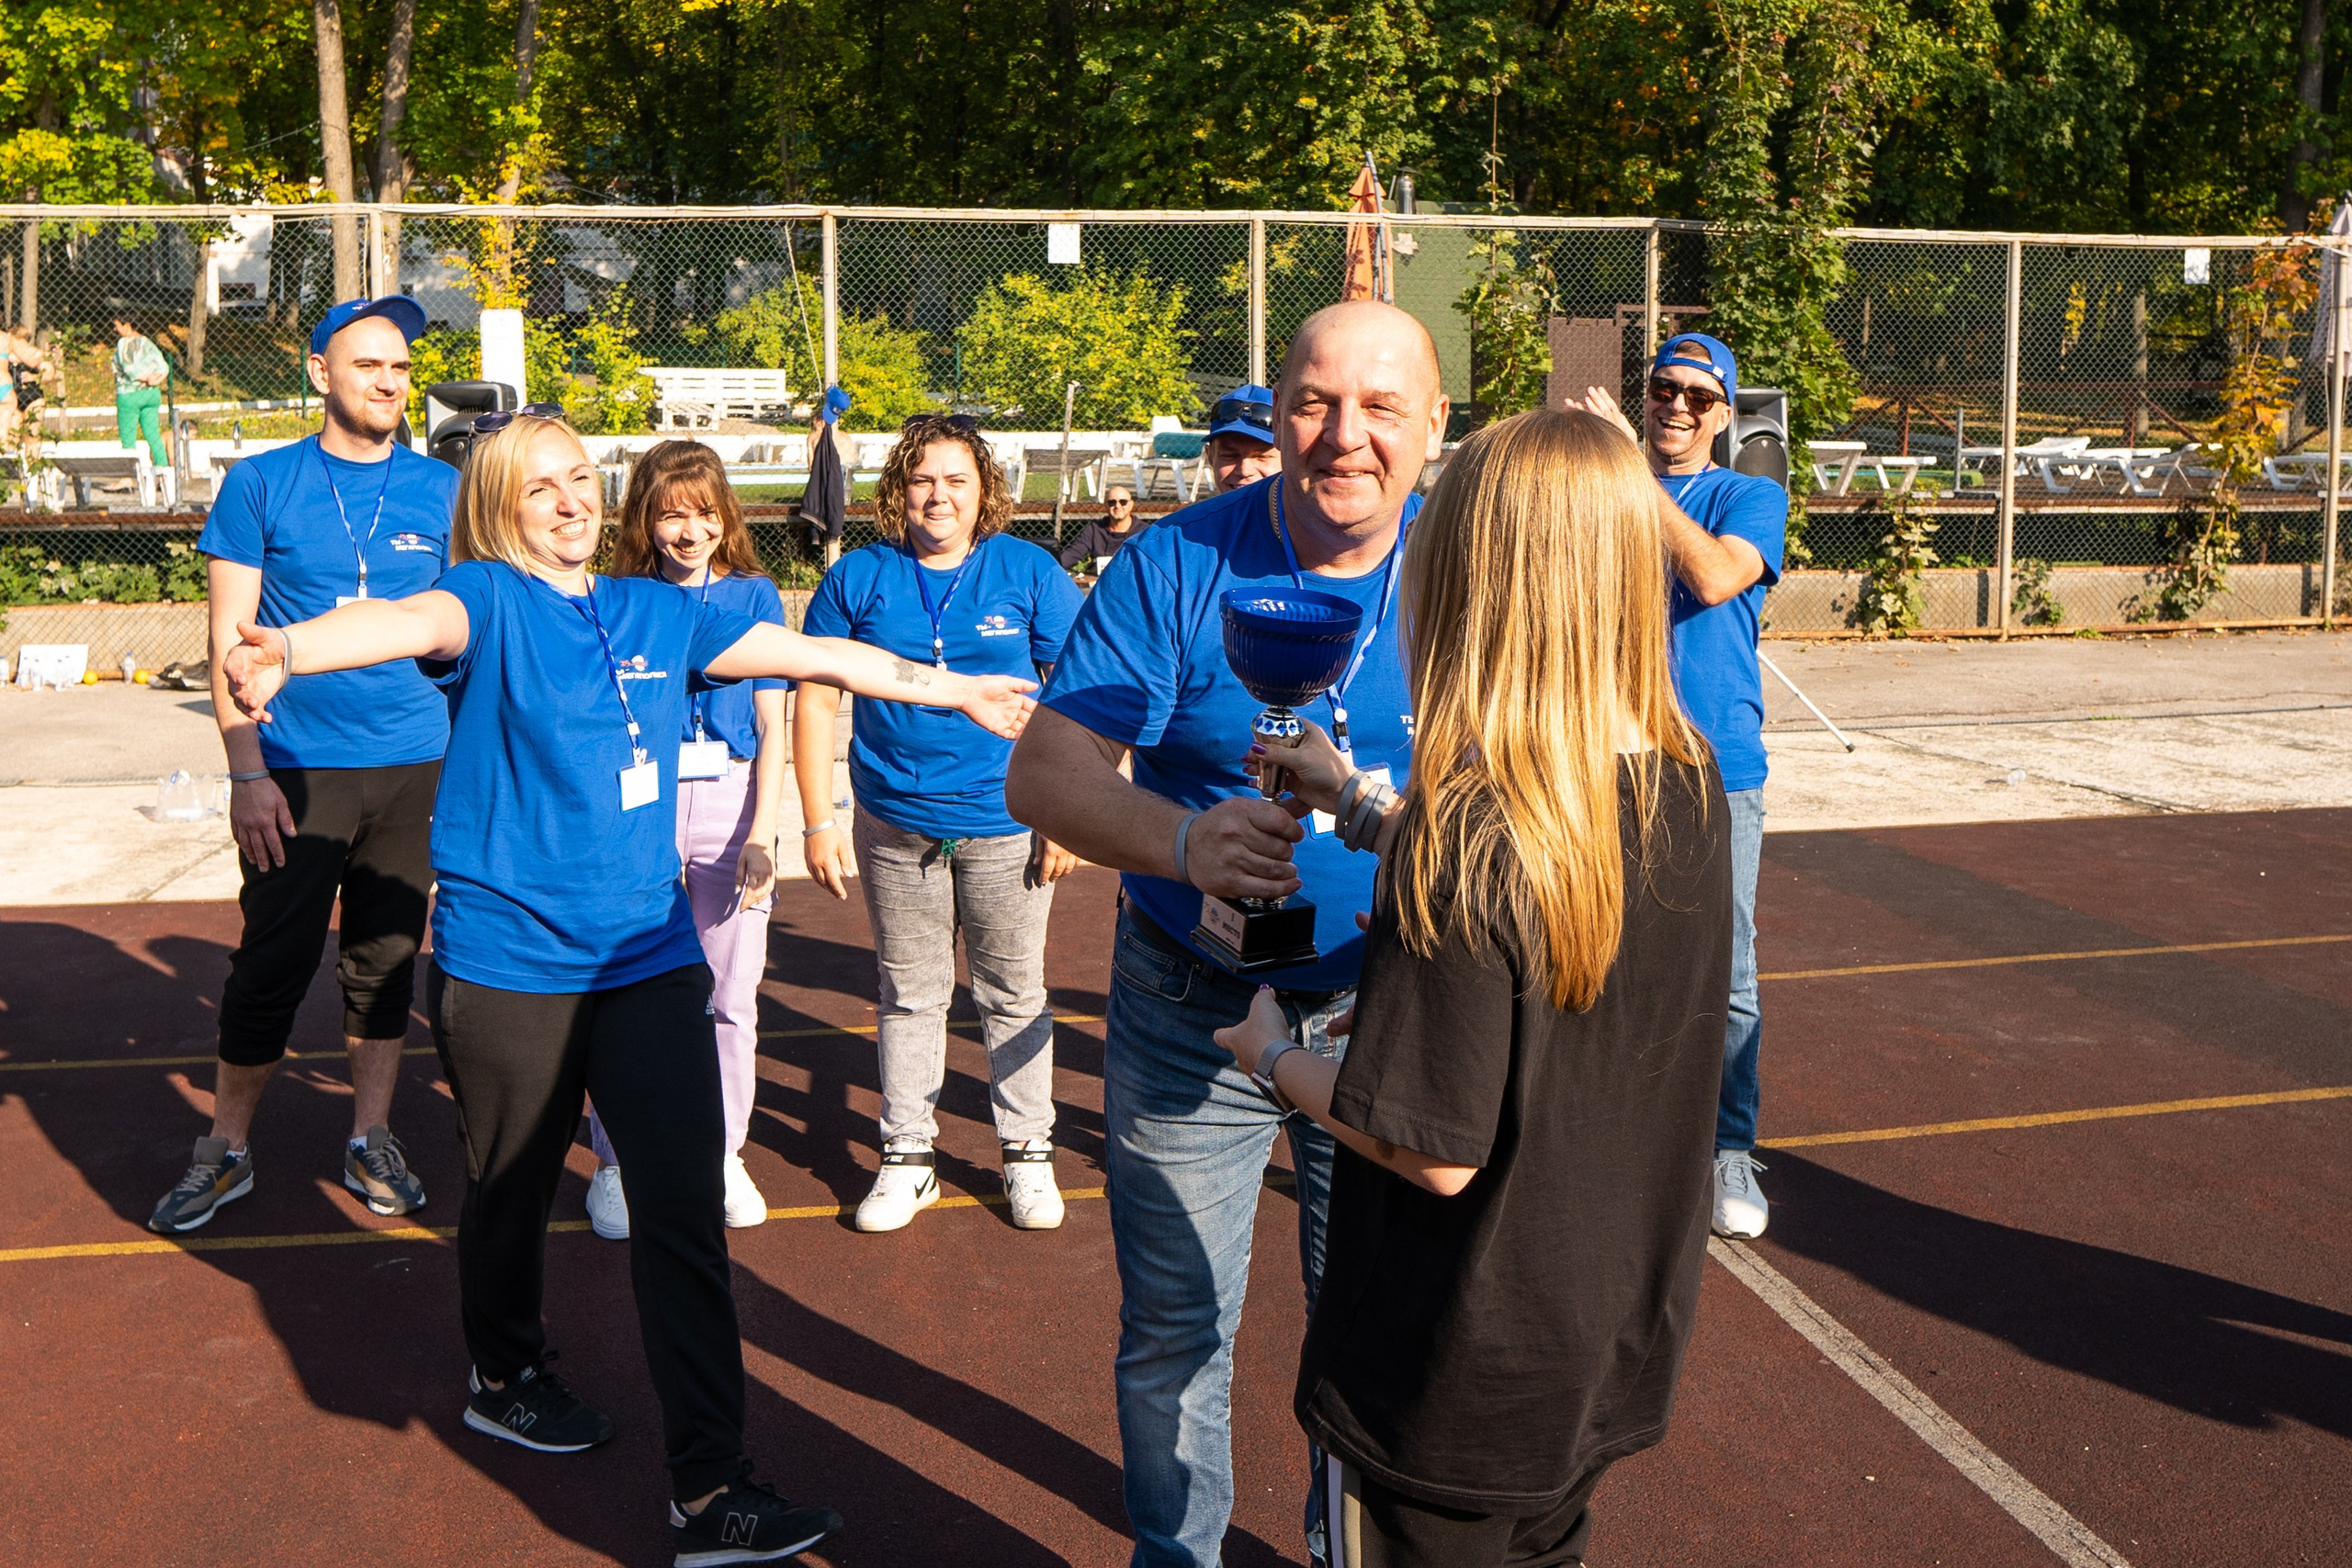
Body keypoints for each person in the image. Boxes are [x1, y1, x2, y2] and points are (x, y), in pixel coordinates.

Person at [217, 412, 1034, 1562]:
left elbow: (819, 660)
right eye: (539, 487)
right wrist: (283, 650)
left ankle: (710, 1487)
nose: (569, 501)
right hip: (508, 967)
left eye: (580, 481)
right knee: (507, 1193)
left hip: (648, 960)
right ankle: (504, 1372)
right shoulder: (482, 600)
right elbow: (393, 619)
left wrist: (959, 693)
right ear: (501, 507)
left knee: (686, 1211)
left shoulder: (657, 609)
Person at [1213, 408, 1731, 1568]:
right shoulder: (1683, 776)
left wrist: (1272, 1056)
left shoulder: (1467, 834)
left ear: (1471, 585)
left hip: (1443, 1374)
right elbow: (1549, 887)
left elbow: (1431, 1147)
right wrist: (1356, 801)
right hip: (1596, 1337)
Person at [1006, 300, 1446, 1568]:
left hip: (1395, 1003)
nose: (1342, 436)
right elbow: (1044, 768)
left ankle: (1341, 1549)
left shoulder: (1471, 572)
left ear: (1432, 426)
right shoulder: (1180, 561)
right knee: (1177, 1328)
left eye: (1378, 407)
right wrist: (1183, 842)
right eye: (1314, 401)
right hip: (1193, 1001)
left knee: (1370, 1330)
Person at [149, 295, 454, 1235]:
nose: (389, 383)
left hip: (415, 767)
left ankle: (370, 1136)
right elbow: (222, 639)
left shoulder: (442, 489)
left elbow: (464, 627)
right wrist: (245, 769)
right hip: (293, 771)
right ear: (320, 373)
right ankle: (226, 1150)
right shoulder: (262, 483)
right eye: (368, 365)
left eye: (401, 368)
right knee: (270, 967)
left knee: (384, 964)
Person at [797, 413, 1085, 1234]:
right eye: (923, 479)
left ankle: (1028, 1150)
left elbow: (1076, 698)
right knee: (909, 993)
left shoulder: (1028, 571)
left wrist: (1067, 811)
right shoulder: (860, 576)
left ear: (983, 489)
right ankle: (907, 1155)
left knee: (1012, 991)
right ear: (899, 488)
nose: (939, 495)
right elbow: (816, 695)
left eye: (956, 479)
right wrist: (819, 818)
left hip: (1008, 821)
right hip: (894, 825)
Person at [1567, 332, 1788, 1241]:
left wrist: (1625, 471)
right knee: (1600, 954)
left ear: (1725, 415)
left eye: (1701, 397)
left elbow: (1708, 574)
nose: (1679, 407)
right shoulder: (1601, 495)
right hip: (1610, 761)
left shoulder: (1749, 494)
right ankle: (1618, 1142)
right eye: (1665, 389)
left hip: (1716, 768)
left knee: (1723, 972)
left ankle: (1727, 1149)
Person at [582, 440, 794, 1243]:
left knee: (730, 994)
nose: (689, 529)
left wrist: (764, 833)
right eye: (671, 513)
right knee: (625, 991)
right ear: (646, 516)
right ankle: (616, 1163)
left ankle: (722, 1153)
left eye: (704, 512)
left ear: (725, 517)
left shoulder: (754, 595)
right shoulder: (620, 597)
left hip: (732, 805)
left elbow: (774, 724)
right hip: (642, 802)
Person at [111, 312, 172, 469]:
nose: (114, 329)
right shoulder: (147, 343)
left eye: (117, 326)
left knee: (128, 438)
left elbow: (128, 368)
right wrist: (155, 379)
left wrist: (145, 378)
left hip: (129, 395)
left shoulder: (124, 343)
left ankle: (129, 476)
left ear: (127, 326)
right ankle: (163, 472)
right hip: (151, 395)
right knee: (153, 435)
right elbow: (163, 367)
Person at [1057, 483, 1146, 580]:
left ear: (1131, 504)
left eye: (1123, 502)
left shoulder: (1144, 532)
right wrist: (1052, 567)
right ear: (1105, 505)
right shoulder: (1095, 529)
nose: (1117, 506)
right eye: (1112, 502)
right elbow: (1073, 554)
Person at [1204, 382, 1281, 492]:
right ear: (1210, 457)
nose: (1244, 471)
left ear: (1289, 459)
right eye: (1229, 456)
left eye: (1262, 457)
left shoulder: (1308, 509)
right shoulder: (1201, 510)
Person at [2, 325, 50, 457]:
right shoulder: (7, 353)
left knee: (32, 436)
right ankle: (15, 468)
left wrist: (35, 376)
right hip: (13, 398)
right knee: (12, 435)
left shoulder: (30, 355)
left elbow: (49, 370)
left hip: (31, 397)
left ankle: (31, 467)